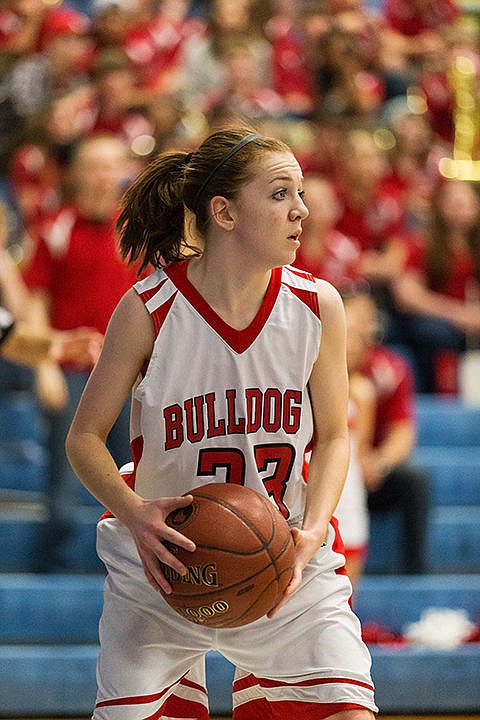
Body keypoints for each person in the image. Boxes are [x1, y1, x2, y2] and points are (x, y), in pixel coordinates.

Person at [66, 127, 377, 719]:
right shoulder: (148, 309)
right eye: (281, 194)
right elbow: (82, 440)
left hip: (284, 554)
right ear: (224, 211)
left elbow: (336, 437)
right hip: (164, 563)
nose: (302, 210)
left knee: (348, 711)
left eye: (302, 193)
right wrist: (134, 512)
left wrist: (314, 530)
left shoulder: (318, 306)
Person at [22, 133, 138, 571]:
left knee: (135, 471)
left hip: (131, 373)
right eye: (94, 165)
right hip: (72, 369)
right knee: (66, 472)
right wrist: (44, 365)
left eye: (112, 165)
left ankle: (132, 563)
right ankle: (57, 564)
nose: (104, 175)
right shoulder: (56, 227)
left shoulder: (135, 230)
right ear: (77, 174)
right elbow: (35, 298)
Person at [342, 285, 431, 575]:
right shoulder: (313, 366)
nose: (363, 329)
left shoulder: (388, 370)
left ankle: (415, 575)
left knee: (415, 479)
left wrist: (377, 462)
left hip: (363, 470)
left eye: (368, 320)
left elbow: (403, 431)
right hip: (332, 472)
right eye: (354, 324)